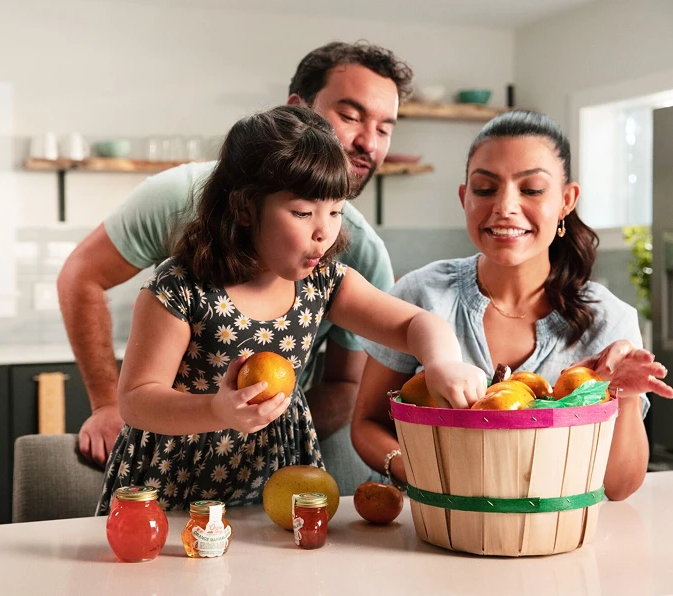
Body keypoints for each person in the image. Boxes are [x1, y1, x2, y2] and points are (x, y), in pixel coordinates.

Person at [58, 41, 413, 494]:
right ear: (297, 112)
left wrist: (261, 426)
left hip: (262, 476)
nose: (369, 142)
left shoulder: (348, 259)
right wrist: (110, 404)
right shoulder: (176, 219)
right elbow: (82, 278)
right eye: (350, 116)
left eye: (385, 128)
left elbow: (350, 379)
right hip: (174, 470)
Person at [95, 105, 487, 512]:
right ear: (245, 207)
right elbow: (137, 400)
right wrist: (216, 410)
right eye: (303, 212)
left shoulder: (323, 282)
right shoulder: (181, 287)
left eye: (335, 211)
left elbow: (415, 323)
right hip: (175, 482)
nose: (324, 231)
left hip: (275, 479)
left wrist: (442, 361)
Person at [351, 110, 673, 501]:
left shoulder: (609, 320)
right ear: (464, 198)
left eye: (532, 189)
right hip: (435, 532)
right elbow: (367, 423)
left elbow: (619, 486)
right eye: (485, 189)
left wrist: (620, 391)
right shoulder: (421, 293)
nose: (505, 206)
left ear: (566, 200)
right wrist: (424, 472)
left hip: (554, 545)